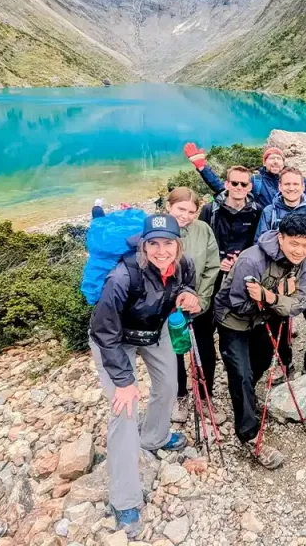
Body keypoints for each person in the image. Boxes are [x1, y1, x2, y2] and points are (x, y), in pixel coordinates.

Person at [88, 214, 202, 537]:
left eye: (168, 243)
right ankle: (124, 499)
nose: (161, 251)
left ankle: (155, 437)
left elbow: (187, 286)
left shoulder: (184, 264)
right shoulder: (122, 277)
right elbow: (103, 331)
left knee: (168, 384)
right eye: (154, 243)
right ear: (144, 244)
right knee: (123, 412)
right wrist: (124, 382)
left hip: (154, 330)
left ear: (179, 245)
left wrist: (188, 296)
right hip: (114, 339)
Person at [213, 212, 306, 469]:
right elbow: (238, 302)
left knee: (261, 362)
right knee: (242, 373)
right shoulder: (251, 260)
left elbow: (300, 301)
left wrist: (270, 298)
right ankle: (249, 436)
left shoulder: (303, 262)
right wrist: (278, 302)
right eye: (294, 243)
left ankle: (246, 397)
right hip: (233, 322)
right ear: (280, 238)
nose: (300, 250)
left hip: (265, 317)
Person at [256, 167, 306, 374]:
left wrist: (301, 264)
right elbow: (260, 244)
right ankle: (285, 363)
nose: (291, 188)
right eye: (286, 184)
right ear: (279, 186)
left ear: (302, 186)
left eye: (295, 184)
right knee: (278, 324)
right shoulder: (269, 213)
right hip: (276, 280)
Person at [165, 188, 225, 426]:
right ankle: (180, 395)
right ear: (169, 207)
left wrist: (201, 298)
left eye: (191, 211)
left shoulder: (203, 229)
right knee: (175, 353)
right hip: (169, 308)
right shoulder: (158, 232)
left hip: (199, 304)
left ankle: (205, 395)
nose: (186, 216)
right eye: (181, 209)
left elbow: (212, 266)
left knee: (206, 350)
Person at [199, 166, 263, 277]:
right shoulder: (210, 210)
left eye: (244, 184)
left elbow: (258, 241)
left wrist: (243, 259)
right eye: (234, 183)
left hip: (245, 268)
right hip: (213, 270)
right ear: (226, 185)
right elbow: (200, 241)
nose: (239, 187)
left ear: (250, 187)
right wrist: (218, 260)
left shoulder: (257, 211)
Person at [184, 143, 285, 207]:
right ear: (264, 163)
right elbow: (224, 188)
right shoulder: (255, 181)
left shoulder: (292, 182)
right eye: (271, 158)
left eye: (279, 158)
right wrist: (203, 168)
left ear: (283, 163)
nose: (275, 161)